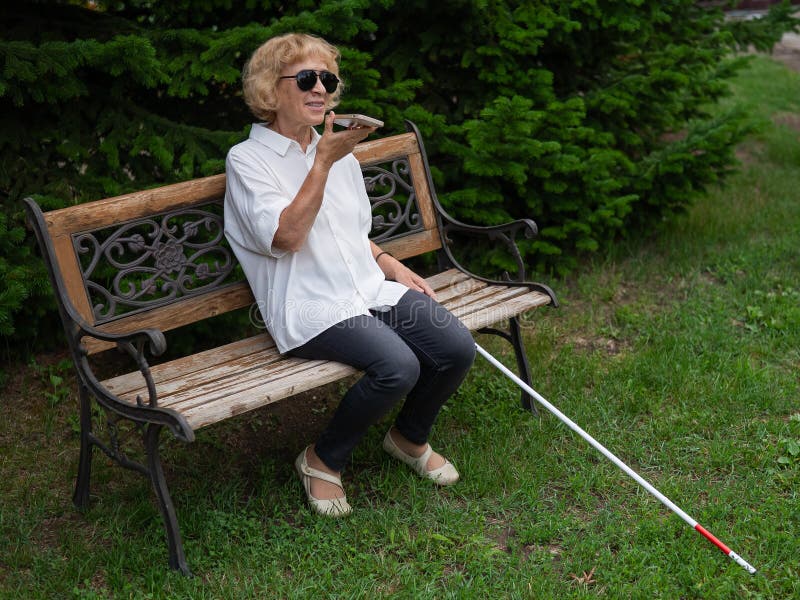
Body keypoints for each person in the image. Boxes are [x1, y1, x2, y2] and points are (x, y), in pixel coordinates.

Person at [223, 33, 476, 517]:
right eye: (306, 78)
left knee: (455, 347)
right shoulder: (248, 161)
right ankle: (322, 459)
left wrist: (389, 262)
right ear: (270, 90)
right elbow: (287, 238)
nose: (320, 89)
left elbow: (349, 234)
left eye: (327, 79)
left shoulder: (335, 153)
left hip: (365, 288)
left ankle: (407, 438)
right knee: (398, 367)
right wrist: (322, 162)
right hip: (308, 305)